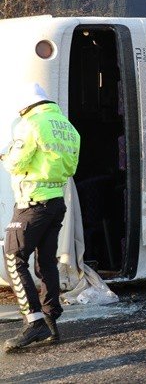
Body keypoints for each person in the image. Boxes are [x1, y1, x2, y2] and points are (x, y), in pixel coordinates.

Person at [1, 83, 80, 352]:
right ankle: (50, 321)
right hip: (56, 201)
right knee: (46, 261)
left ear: (25, 105)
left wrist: (5, 155)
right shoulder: (66, 126)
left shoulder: (31, 124)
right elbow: (71, 166)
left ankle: (33, 322)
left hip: (31, 202)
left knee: (13, 256)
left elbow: (16, 162)